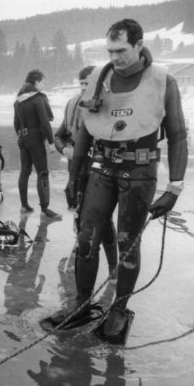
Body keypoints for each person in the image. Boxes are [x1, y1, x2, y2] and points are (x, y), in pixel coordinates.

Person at [67, 18, 188, 343]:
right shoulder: (98, 79)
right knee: (86, 238)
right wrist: (74, 175)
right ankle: (80, 305)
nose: (115, 57)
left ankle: (118, 309)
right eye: (110, 50)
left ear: (138, 45)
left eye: (121, 50)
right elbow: (84, 132)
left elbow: (177, 135)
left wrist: (174, 187)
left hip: (139, 173)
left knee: (128, 243)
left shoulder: (163, 80)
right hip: (101, 169)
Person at [54, 66, 118, 276]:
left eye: (87, 84)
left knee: (105, 220)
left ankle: (112, 268)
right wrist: (66, 149)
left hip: (100, 171)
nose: (84, 88)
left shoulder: (106, 104)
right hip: (77, 170)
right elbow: (59, 135)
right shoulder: (73, 104)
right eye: (81, 84)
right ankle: (81, 258)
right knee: (80, 216)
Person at [13, 69, 61, 218]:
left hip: (22, 139)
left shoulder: (18, 99)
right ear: (36, 82)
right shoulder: (38, 98)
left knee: (25, 172)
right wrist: (51, 142)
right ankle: (45, 209)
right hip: (35, 140)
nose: (43, 85)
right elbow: (45, 122)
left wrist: (23, 137)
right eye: (42, 81)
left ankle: (24, 205)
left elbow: (16, 123)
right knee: (42, 173)